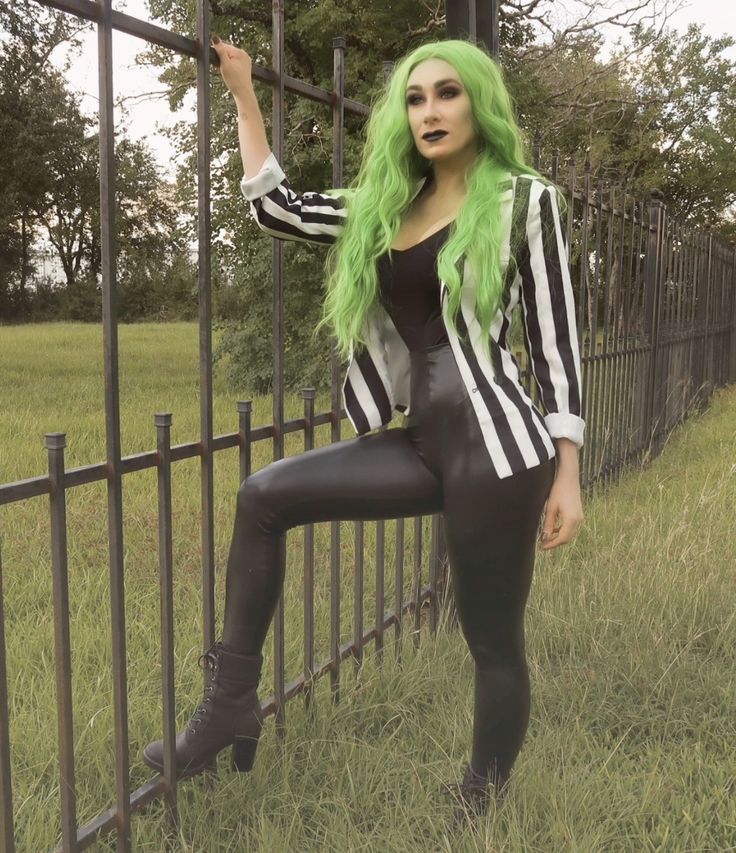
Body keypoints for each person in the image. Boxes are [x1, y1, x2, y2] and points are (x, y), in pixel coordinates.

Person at [143, 36, 586, 817]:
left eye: (447, 93)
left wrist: (569, 470)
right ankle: (230, 705)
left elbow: (556, 342)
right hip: (422, 439)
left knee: (489, 639)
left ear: (477, 104)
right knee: (263, 495)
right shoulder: (386, 206)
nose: (430, 112)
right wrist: (243, 91)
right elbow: (276, 208)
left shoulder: (526, 199)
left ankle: (480, 799)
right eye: (415, 99)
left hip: (500, 446)